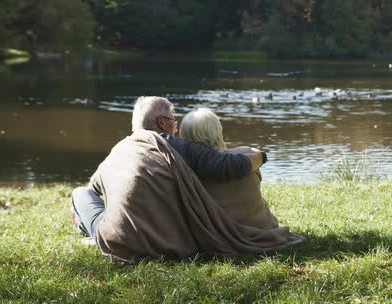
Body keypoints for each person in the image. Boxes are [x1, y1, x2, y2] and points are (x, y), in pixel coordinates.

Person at [71, 96, 302, 262]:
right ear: (162, 123)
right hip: (160, 241)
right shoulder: (171, 145)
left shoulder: (118, 151)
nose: (176, 125)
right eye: (173, 118)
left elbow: (94, 188)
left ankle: (86, 228)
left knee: (80, 194)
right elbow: (227, 165)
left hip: (112, 238)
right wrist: (261, 156)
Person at [180, 107, 278, 229]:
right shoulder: (247, 153)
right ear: (218, 130)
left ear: (184, 137)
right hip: (264, 227)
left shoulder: (184, 169)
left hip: (217, 232)